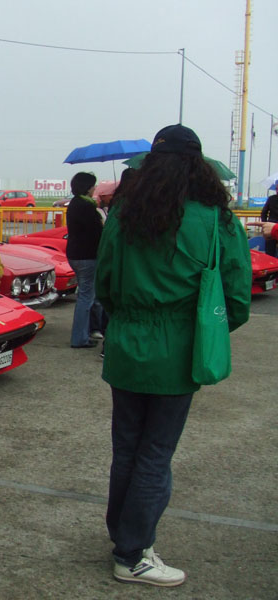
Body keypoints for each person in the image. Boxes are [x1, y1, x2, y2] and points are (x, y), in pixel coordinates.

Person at [95, 124, 251, 587]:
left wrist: (125, 320)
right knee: (155, 454)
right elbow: (236, 293)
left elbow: (105, 281)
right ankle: (133, 553)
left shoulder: (124, 212)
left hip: (126, 344)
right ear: (198, 164)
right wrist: (209, 329)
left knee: (126, 448)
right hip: (179, 348)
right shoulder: (216, 218)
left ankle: (122, 534)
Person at [65, 171, 104, 348]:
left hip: (74, 254)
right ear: (88, 187)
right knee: (86, 297)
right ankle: (79, 338)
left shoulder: (74, 204)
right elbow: (96, 233)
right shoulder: (87, 207)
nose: (95, 188)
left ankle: (86, 332)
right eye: (93, 185)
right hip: (87, 256)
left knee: (85, 295)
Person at [259, 182, 278, 256]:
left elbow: (264, 212)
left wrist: (264, 223)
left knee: (270, 252)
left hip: (270, 226)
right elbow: (264, 212)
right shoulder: (271, 198)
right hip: (271, 227)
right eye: (276, 189)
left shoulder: (271, 198)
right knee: (270, 251)